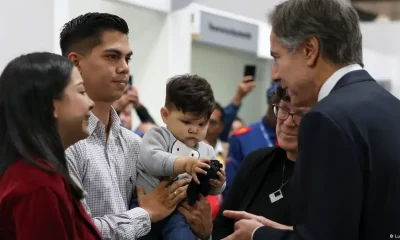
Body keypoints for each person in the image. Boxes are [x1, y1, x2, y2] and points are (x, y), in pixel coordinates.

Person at [224, 0, 400, 239]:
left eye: (277, 57)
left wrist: (257, 234)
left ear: (309, 50)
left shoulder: (326, 118)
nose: (275, 74)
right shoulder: (391, 107)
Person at [60, 13, 212, 240]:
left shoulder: (135, 144)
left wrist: (203, 230)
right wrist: (145, 214)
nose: (124, 68)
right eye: (112, 56)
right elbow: (72, 231)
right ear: (76, 62)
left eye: (127, 59)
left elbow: (170, 218)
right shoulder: (64, 144)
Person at [0, 52, 100, 239]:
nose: (91, 103)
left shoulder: (36, 175)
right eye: (81, 91)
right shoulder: (37, 184)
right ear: (52, 105)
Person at [134, 74, 226, 239]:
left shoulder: (207, 151)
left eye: (201, 124)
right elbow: (150, 159)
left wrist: (217, 184)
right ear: (165, 115)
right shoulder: (157, 135)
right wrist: (184, 164)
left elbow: (208, 188)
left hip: (182, 212)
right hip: (145, 205)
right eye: (186, 122)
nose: (194, 130)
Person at [213, 85, 309, 239]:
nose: (288, 122)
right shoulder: (257, 161)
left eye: (300, 115)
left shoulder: (327, 176)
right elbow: (222, 225)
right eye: (283, 110)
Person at [225, 82, 278, 192]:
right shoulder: (242, 138)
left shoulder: (302, 136)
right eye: (281, 109)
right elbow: (231, 187)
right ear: (271, 107)